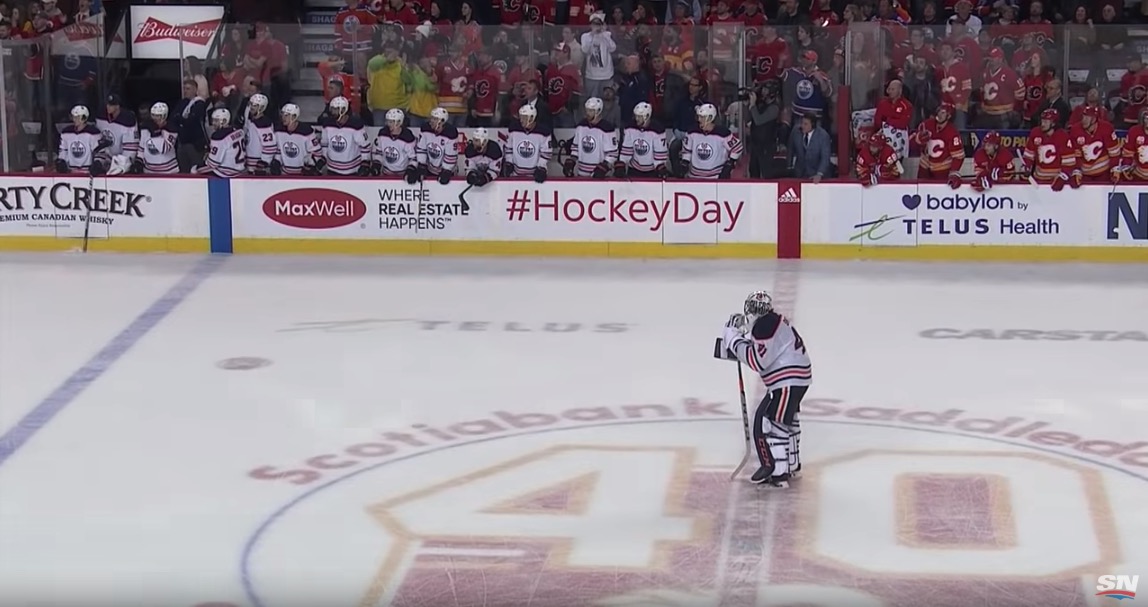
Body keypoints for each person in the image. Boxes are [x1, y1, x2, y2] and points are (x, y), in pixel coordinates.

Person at [719, 290, 812, 488]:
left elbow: (757, 361)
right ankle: (792, 465)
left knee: (771, 423)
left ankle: (778, 474)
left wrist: (733, 340)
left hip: (787, 380)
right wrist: (741, 341)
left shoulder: (764, 326)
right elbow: (762, 350)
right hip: (797, 378)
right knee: (787, 420)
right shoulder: (772, 321)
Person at [680, 103, 742, 179]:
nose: (699, 120)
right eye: (699, 117)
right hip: (694, 177)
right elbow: (687, 150)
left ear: (710, 118)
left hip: (715, 178)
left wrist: (730, 163)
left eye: (702, 117)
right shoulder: (692, 132)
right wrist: (685, 162)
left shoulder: (722, 133)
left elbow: (737, 147)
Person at [1023, 108, 1080, 190]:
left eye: (1046, 122)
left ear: (1053, 123)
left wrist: (1062, 177)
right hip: (1038, 180)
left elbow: (1069, 163)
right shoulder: (1035, 133)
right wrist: (1026, 167)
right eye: (1042, 121)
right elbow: (1028, 156)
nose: (1042, 124)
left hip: (1055, 180)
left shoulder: (1063, 136)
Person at [565, 97, 618, 178]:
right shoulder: (581, 126)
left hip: (601, 177)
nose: (587, 113)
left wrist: (604, 167)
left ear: (598, 111)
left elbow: (612, 154)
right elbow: (576, 148)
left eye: (591, 111)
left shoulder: (607, 128)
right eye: (587, 110)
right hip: (581, 174)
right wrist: (572, 161)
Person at [320, 96, 370, 176]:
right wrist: (323, 157)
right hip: (332, 169)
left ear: (343, 110)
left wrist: (365, 162)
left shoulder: (356, 125)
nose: (333, 112)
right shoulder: (327, 124)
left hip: (352, 170)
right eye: (332, 109)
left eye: (336, 109)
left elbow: (365, 146)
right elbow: (325, 144)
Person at [617, 101, 668, 178]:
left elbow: (660, 155)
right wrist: (622, 163)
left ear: (647, 116)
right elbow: (627, 150)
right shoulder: (630, 128)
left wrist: (660, 168)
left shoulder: (657, 130)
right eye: (636, 116)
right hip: (634, 169)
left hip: (652, 171)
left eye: (639, 116)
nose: (637, 119)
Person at [504, 104, 553, 182]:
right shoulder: (513, 129)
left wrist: (541, 167)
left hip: (535, 176)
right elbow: (508, 148)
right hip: (515, 174)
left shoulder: (543, 132)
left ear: (532, 118)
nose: (521, 120)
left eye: (524, 117)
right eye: (520, 117)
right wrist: (509, 162)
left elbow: (546, 153)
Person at [271, 103, 323, 176]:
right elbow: (279, 151)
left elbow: (317, 152)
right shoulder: (278, 131)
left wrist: (311, 165)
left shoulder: (306, 131)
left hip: (303, 176)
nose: (283, 118)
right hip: (285, 174)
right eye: (282, 115)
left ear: (294, 116)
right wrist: (277, 161)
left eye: (286, 115)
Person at [416, 107, 460, 185]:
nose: (431, 121)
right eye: (431, 118)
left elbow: (451, 156)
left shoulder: (451, 133)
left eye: (435, 119)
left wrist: (446, 170)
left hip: (448, 171)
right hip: (430, 169)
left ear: (442, 121)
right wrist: (421, 165)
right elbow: (421, 149)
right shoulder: (425, 128)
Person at [373, 108, 418, 181]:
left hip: (403, 176)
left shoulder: (407, 137)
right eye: (388, 121)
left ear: (399, 122)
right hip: (386, 174)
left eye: (391, 122)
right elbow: (379, 152)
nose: (388, 124)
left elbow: (413, 158)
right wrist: (376, 165)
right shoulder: (383, 133)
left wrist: (410, 170)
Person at [197, 109, 245, 178]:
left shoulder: (219, 136)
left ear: (224, 121)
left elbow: (213, 164)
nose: (213, 123)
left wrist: (198, 168)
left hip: (225, 172)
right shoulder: (240, 131)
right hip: (240, 170)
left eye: (216, 121)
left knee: (195, 170)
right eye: (213, 120)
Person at [56, 105, 102, 174]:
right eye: (74, 117)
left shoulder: (93, 133)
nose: (74, 119)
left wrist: (97, 163)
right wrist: (61, 161)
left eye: (77, 117)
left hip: (88, 172)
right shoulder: (66, 132)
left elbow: (99, 152)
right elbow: (63, 150)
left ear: (84, 118)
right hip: (71, 171)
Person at [137, 103, 179, 175]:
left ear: (164, 116)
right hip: (148, 172)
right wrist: (139, 161)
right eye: (154, 115)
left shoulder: (171, 129)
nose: (156, 119)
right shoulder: (146, 127)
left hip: (169, 172)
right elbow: (142, 147)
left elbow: (164, 148)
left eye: (158, 116)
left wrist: (156, 133)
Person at [787, 114, 830, 182]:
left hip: (815, 174)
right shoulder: (796, 131)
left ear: (813, 125)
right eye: (802, 123)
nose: (802, 126)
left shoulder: (823, 136)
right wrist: (789, 167)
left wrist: (819, 174)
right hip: (799, 174)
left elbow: (825, 157)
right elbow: (790, 150)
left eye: (805, 124)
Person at [243, 93, 276, 175]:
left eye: (255, 105)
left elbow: (270, 146)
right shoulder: (250, 121)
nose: (252, 107)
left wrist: (264, 162)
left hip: (258, 168)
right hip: (249, 165)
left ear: (261, 107)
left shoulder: (264, 124)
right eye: (251, 104)